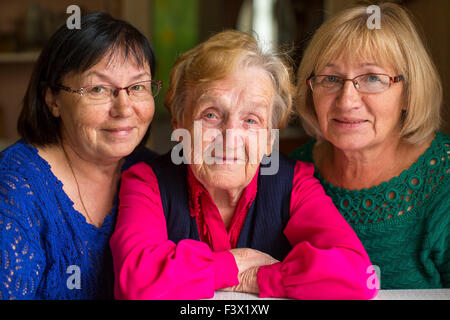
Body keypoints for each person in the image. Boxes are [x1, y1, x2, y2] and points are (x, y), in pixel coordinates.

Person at [110, 30, 377, 300]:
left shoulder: (294, 183)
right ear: (180, 122)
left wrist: (258, 278)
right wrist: (235, 266)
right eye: (211, 115)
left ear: (269, 135)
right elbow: (135, 283)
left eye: (251, 120)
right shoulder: (146, 181)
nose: (230, 138)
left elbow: (357, 276)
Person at [0, 12, 160, 299]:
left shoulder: (155, 173)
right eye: (98, 89)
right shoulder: (14, 186)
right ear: (52, 99)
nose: (124, 109)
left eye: (137, 87)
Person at [291, 3, 449, 289]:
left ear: (408, 93)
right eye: (331, 79)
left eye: (372, 78)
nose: (347, 100)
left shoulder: (444, 182)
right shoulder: (289, 176)